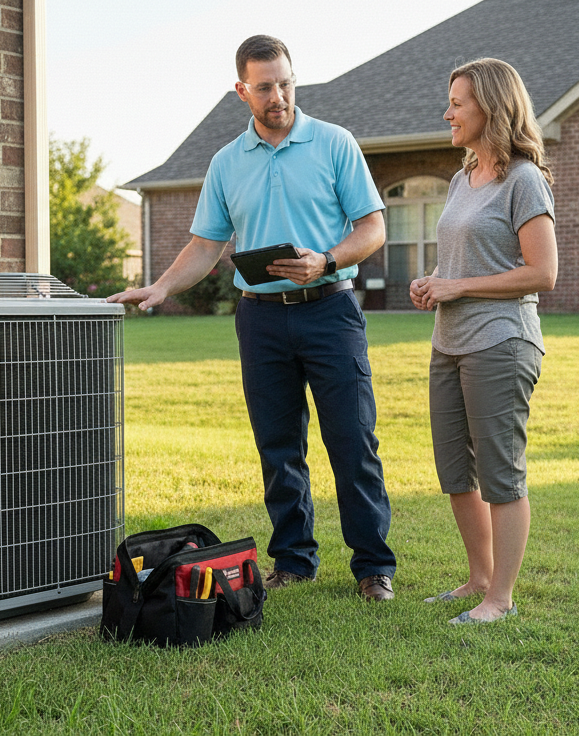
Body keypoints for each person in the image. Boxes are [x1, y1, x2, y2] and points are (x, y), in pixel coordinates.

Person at [108, 36, 397, 602]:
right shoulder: (225, 162)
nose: (278, 96)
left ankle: (372, 567)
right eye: (265, 87)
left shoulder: (334, 143)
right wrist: (162, 286)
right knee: (277, 446)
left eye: (285, 83)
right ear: (242, 90)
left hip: (331, 310)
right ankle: (293, 559)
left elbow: (372, 228)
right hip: (260, 320)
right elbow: (205, 245)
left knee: (353, 440)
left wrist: (325, 260)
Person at [409, 58, 557, 624]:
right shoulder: (460, 178)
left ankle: (501, 598)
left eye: (457, 103)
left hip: (500, 340)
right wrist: (434, 281)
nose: (447, 112)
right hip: (448, 341)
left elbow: (543, 273)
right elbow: (464, 260)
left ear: (490, 107)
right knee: (454, 471)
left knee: (500, 473)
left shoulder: (524, 179)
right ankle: (478, 578)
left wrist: (459, 285)